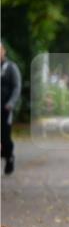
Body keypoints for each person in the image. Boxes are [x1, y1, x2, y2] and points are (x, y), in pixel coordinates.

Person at [1, 40, 22, 175]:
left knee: (4, 136)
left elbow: (17, 87)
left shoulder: (11, 67)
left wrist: (11, 103)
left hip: (5, 108)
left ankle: (9, 157)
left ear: (3, 51)